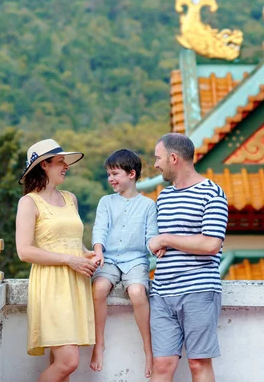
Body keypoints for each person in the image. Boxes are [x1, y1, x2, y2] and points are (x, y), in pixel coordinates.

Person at [147, 133, 229, 382]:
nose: (155, 164)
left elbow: (211, 244)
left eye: (158, 158)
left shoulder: (212, 193)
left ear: (173, 158)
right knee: (161, 364)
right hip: (162, 292)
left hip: (199, 290)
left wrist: (167, 239)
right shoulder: (164, 196)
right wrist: (156, 242)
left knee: (198, 363)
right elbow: (156, 241)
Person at [15, 138, 98, 382]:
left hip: (75, 283)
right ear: (44, 165)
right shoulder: (29, 202)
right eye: (60, 161)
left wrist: (87, 254)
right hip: (51, 285)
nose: (66, 166)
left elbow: (73, 242)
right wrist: (68, 260)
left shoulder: (70, 198)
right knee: (68, 362)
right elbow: (24, 251)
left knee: (60, 363)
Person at [89, 149, 158, 378]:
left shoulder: (148, 205)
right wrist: (98, 251)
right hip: (108, 258)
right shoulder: (106, 202)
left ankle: (148, 349)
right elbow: (100, 229)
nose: (110, 179)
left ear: (132, 174)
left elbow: (151, 238)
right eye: (108, 174)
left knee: (138, 292)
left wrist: (159, 248)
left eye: (115, 173)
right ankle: (99, 343)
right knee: (98, 288)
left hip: (136, 260)